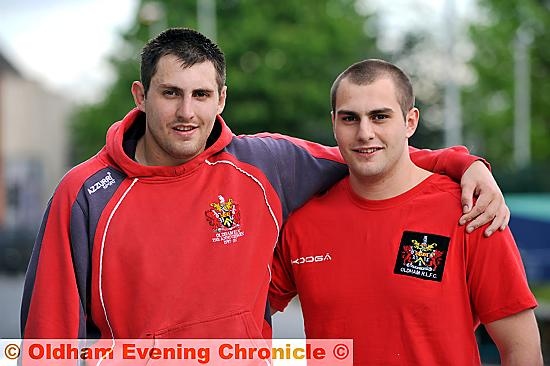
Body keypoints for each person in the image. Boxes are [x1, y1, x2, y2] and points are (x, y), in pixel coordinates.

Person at [22, 28, 508, 340]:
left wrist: (462, 163)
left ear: (222, 99)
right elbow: (49, 332)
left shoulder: (266, 164)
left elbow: (370, 152)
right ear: (141, 95)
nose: (187, 112)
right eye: (170, 93)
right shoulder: (85, 192)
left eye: (201, 94)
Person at [268, 59, 542, 365]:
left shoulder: (470, 212)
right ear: (334, 122)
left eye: (380, 116)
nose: (364, 132)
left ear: (410, 121)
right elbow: (240, 315)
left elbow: (521, 349)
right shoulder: (303, 223)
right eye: (350, 118)